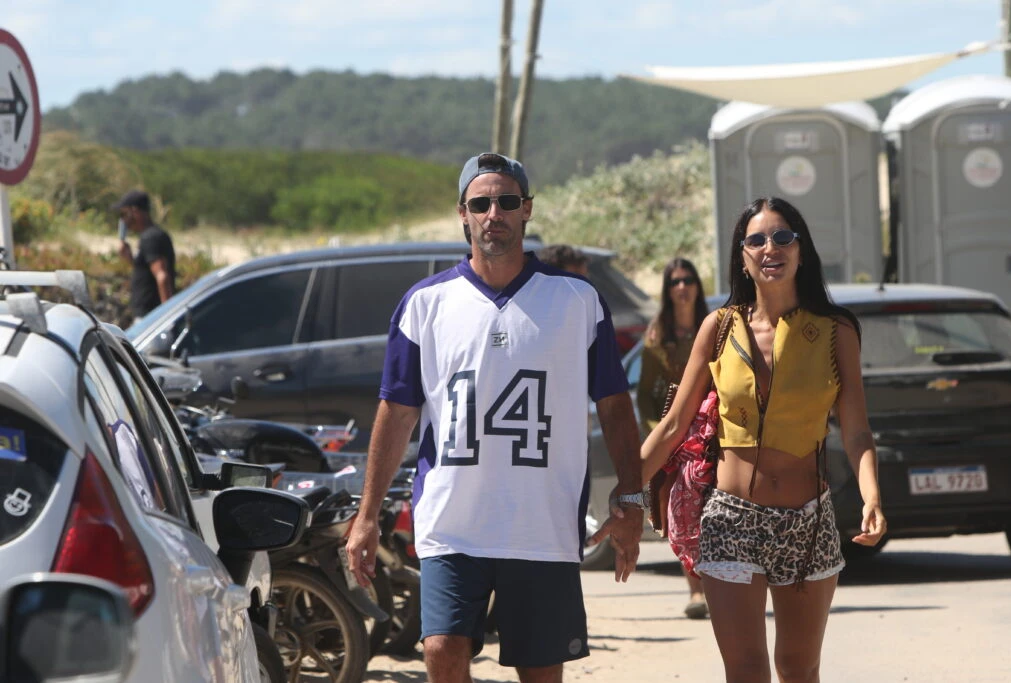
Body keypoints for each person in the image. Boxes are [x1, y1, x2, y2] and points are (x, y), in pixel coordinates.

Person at [345, 152, 643, 683]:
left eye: (507, 201)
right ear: (463, 213)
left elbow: (616, 407)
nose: (493, 214)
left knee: (540, 671)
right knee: (441, 649)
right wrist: (367, 514)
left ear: (527, 209)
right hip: (453, 524)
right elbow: (397, 412)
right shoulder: (425, 303)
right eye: (480, 204)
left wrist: (632, 497)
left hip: (542, 525)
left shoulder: (576, 300)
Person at [641, 196, 886, 682]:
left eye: (782, 237)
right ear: (742, 256)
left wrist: (872, 496)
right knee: (746, 670)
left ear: (801, 250)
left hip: (808, 522)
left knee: (798, 668)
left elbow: (857, 429)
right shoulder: (718, 327)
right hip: (730, 518)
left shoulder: (836, 331)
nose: (770, 248)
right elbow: (671, 426)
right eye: (756, 240)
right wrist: (625, 492)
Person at [636, 257, 710, 620]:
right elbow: (645, 394)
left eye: (688, 280)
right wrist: (663, 434)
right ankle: (696, 591)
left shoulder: (713, 326)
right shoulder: (657, 336)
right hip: (673, 438)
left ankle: (721, 588)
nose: (682, 288)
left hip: (712, 430)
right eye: (675, 282)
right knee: (682, 512)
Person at [113, 190, 176, 321]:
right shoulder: (148, 236)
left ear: (135, 211)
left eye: (124, 214)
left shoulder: (151, 237)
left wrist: (168, 315)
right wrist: (129, 258)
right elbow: (146, 272)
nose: (123, 220)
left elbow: (162, 276)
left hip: (151, 315)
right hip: (147, 314)